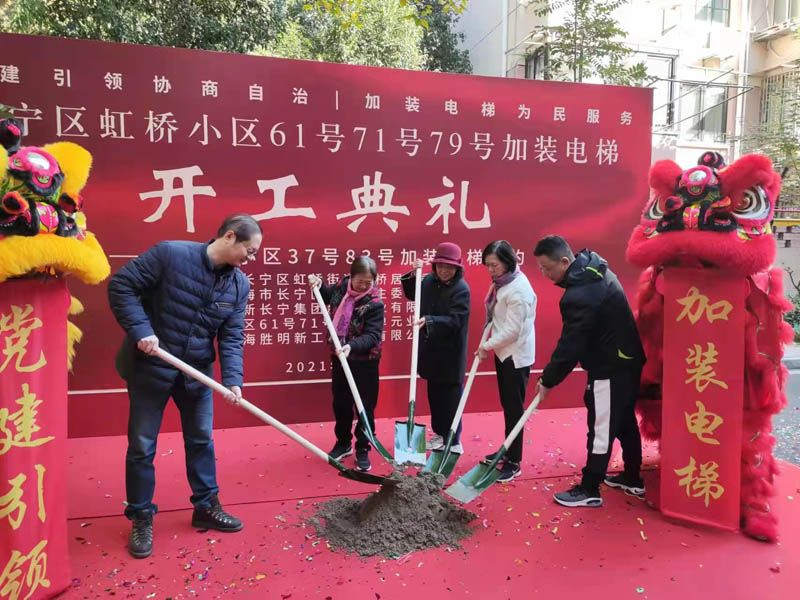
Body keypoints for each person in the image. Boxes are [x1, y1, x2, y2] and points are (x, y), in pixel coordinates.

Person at [108, 214, 262, 559]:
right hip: (151, 367)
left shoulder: (239, 285)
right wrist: (141, 330)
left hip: (196, 372)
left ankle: (206, 506)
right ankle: (141, 515)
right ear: (229, 236)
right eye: (249, 251)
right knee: (142, 445)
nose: (250, 259)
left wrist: (233, 380)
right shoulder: (170, 254)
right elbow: (122, 286)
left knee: (201, 439)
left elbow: (232, 336)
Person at [532, 235, 646, 508]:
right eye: (541, 269)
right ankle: (632, 478)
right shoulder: (594, 268)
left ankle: (590, 488)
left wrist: (548, 380)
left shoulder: (580, 294)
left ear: (564, 261)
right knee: (624, 421)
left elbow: (571, 344)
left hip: (610, 368)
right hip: (626, 362)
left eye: (548, 268)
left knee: (601, 429)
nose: (545, 274)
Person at [309, 256, 385, 473]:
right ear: (351, 277)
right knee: (341, 403)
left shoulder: (375, 303)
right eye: (359, 281)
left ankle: (363, 447)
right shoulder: (341, 288)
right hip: (339, 358)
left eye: (368, 282)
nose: (363, 286)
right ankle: (343, 443)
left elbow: (373, 335)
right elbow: (325, 295)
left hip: (365, 361)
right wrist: (318, 283)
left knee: (364, 407)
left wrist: (352, 345)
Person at [401, 243, 470, 453]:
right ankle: (439, 434)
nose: (444, 271)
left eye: (449, 267)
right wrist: (414, 274)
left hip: (450, 355)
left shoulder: (461, 290)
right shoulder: (429, 281)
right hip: (431, 352)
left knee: (450, 399)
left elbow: (456, 321)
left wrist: (430, 321)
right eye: (440, 266)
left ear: (457, 268)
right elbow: (413, 294)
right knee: (435, 397)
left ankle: (453, 440)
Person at [477, 240, 537, 482]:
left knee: (514, 409)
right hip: (504, 352)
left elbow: (513, 331)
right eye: (488, 265)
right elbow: (497, 316)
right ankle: (507, 448)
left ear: (508, 262)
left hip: (515, 355)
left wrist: (486, 345)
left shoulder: (518, 290)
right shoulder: (502, 282)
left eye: (495, 265)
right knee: (508, 405)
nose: (491, 270)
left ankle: (514, 461)